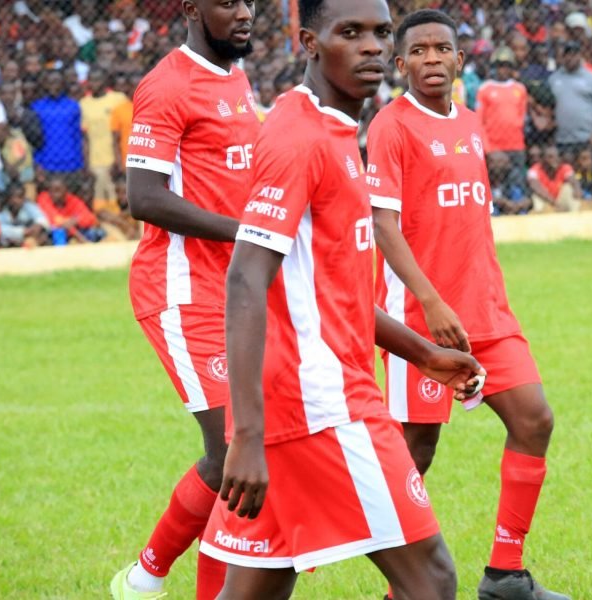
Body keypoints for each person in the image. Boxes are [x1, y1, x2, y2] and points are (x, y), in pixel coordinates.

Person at [198, 3, 485, 598]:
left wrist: (423, 355)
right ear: (309, 42)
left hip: (296, 403)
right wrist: (246, 435)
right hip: (323, 405)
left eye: (381, 33)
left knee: (256, 591)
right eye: (349, 33)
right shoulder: (299, 135)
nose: (372, 47)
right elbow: (246, 278)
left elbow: (337, 290)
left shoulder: (332, 129)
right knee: (431, 579)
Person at [365, 11, 567, 599]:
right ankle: (400, 587)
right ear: (400, 65)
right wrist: (430, 301)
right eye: (419, 51)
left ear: (461, 60)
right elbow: (383, 223)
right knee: (415, 453)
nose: (432, 58)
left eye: (442, 49)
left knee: (534, 419)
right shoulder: (391, 126)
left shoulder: (474, 123)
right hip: (420, 321)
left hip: (487, 315)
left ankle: (506, 574)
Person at [108, 1, 262, 598]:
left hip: (239, 290)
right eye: (228, 2)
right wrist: (247, 232)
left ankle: (144, 577)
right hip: (182, 291)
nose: (245, 12)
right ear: (194, 9)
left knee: (242, 452)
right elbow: (143, 197)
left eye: (250, 1)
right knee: (235, 452)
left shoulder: (236, 76)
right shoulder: (166, 85)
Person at [548, 40, 592, 162]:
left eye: (575, 54)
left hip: (587, 139)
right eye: (568, 54)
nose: (571, 58)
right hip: (563, 139)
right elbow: (548, 106)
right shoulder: (554, 79)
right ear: (563, 57)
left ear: (580, 56)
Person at [80, 69, 127, 206]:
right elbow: (85, 137)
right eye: (92, 80)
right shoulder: (84, 104)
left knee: (118, 198)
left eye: (98, 79)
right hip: (96, 161)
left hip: (117, 160)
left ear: (105, 81)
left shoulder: (118, 99)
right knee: (100, 200)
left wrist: (118, 160)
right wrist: (87, 162)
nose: (95, 83)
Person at [31, 70, 84, 180]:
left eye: (57, 82)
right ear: (45, 84)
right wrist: (37, 164)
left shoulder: (73, 106)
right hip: (46, 164)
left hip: (71, 164)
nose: (53, 86)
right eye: (50, 82)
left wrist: (81, 163)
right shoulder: (37, 107)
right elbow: (34, 139)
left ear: (63, 84)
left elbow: (78, 137)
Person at [35, 176, 103, 243]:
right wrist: (80, 237)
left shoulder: (72, 199)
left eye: (58, 191)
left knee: (97, 233)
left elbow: (90, 218)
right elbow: (56, 221)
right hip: (53, 233)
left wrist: (76, 220)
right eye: (52, 191)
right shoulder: (43, 198)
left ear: (66, 190)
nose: (55, 195)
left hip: (73, 231)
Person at [527, 145, 581, 212]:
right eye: (550, 157)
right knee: (536, 196)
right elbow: (535, 186)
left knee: (569, 188)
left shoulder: (564, 167)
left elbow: (573, 180)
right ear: (543, 159)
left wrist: (577, 189)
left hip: (559, 200)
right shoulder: (534, 170)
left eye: (556, 156)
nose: (554, 159)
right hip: (545, 200)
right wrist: (552, 201)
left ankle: (574, 215)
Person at [0, 182, 49, 247]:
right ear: (7, 198)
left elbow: (43, 220)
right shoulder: (1, 212)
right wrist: (23, 232)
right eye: (13, 197)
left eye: (20, 197)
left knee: (43, 236)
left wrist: (37, 226)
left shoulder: (28, 206)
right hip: (9, 244)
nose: (17, 201)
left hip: (28, 239)